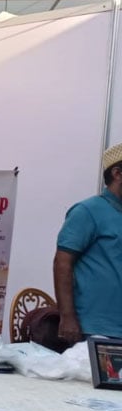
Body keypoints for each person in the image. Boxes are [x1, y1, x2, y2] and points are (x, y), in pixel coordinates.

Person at [55, 143, 122, 343]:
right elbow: (62, 263)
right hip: (95, 329)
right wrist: (67, 317)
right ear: (117, 173)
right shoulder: (87, 211)